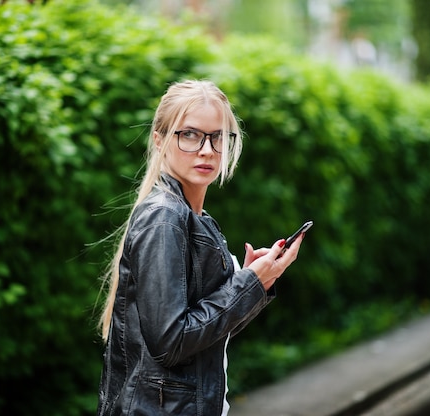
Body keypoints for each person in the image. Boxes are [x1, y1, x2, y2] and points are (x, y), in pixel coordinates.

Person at [96, 80, 306, 415]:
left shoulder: (193, 217)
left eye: (217, 136)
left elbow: (206, 339)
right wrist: (246, 283)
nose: (207, 150)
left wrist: (258, 281)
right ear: (160, 139)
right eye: (190, 135)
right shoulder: (164, 218)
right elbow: (171, 343)